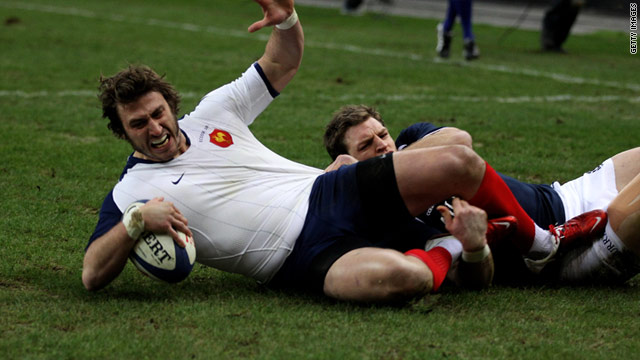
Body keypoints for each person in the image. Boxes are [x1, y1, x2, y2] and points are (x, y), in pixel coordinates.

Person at [82, 0, 570, 303]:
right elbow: (91, 274)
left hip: (330, 192)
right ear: (122, 132)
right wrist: (137, 222)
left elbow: (282, 60)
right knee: (403, 279)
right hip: (298, 261)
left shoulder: (214, 114)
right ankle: (445, 247)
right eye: (138, 123)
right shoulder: (132, 192)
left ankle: (539, 243)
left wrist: (287, 18)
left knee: (458, 161)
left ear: (171, 105)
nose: (155, 128)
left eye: (157, 113)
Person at [323, 104, 640, 284]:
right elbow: (467, 276)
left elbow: (459, 141)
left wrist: (377, 169)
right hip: (574, 253)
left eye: (383, 134)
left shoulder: (410, 140)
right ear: (346, 161)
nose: (383, 144)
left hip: (566, 195)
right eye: (367, 146)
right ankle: (543, 244)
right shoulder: (382, 220)